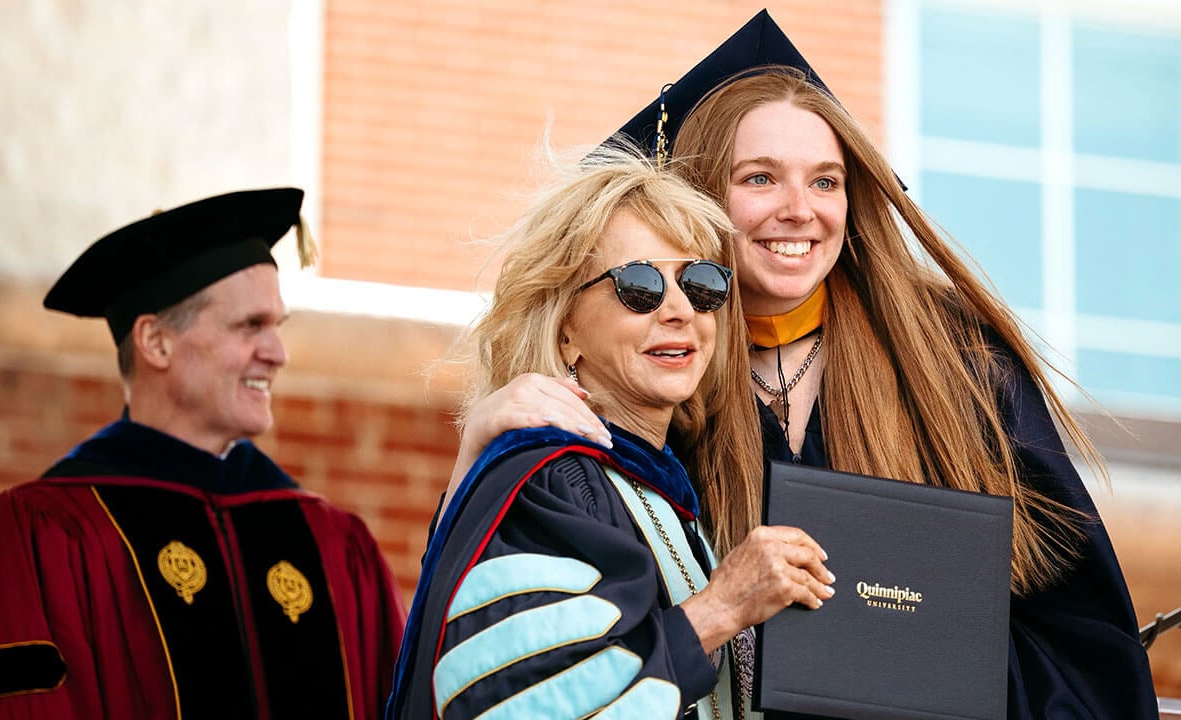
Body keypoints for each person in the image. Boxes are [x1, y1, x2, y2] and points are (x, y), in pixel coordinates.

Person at [448, 11, 1158, 719]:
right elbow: (528, 649)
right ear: (695, 198)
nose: (799, 211)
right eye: (760, 178)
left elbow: (1084, 638)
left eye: (825, 182)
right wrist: (480, 447)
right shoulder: (652, 393)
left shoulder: (954, 364)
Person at [0, 188, 406, 719]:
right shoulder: (38, 536)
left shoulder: (333, 543)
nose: (278, 353)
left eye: (277, 327)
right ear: (155, 343)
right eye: (250, 326)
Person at [386, 147, 834, 720]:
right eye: (640, 286)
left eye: (701, 284)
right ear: (566, 326)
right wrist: (720, 608)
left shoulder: (658, 488)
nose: (679, 310)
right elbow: (523, 702)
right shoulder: (552, 480)